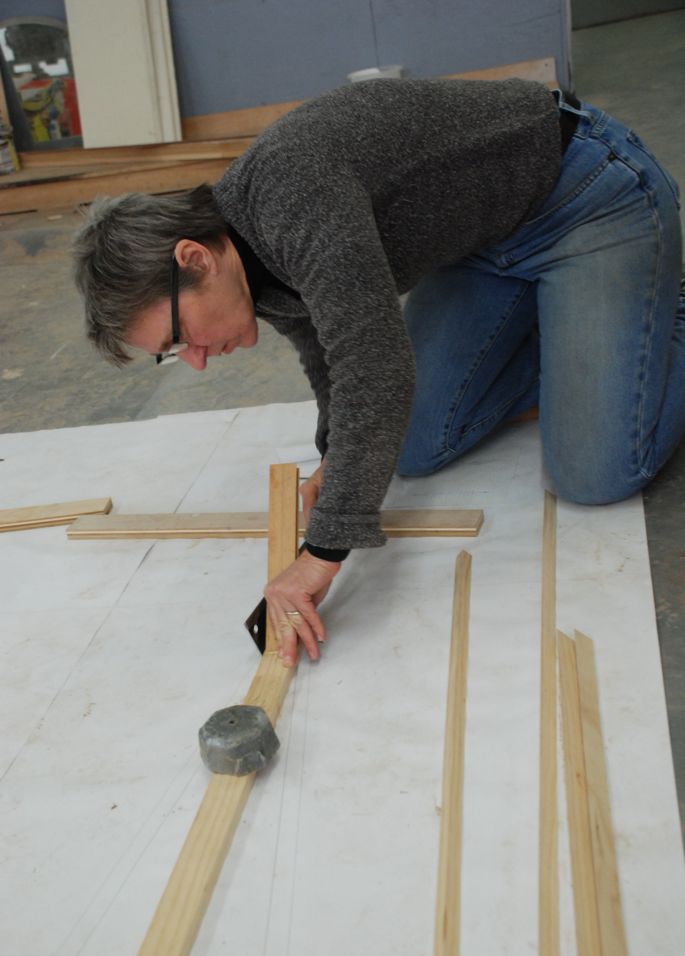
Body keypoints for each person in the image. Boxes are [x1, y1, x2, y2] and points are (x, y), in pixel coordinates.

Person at [72, 77, 684, 668]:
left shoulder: (291, 195)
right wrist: (334, 456)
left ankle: (663, 309)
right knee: (409, 446)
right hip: (481, 247)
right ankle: (577, 323)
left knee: (594, 473)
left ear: (195, 258)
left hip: (584, 199)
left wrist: (322, 552)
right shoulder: (244, 264)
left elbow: (376, 371)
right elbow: (328, 354)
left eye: (180, 337)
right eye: (174, 352)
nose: (197, 359)